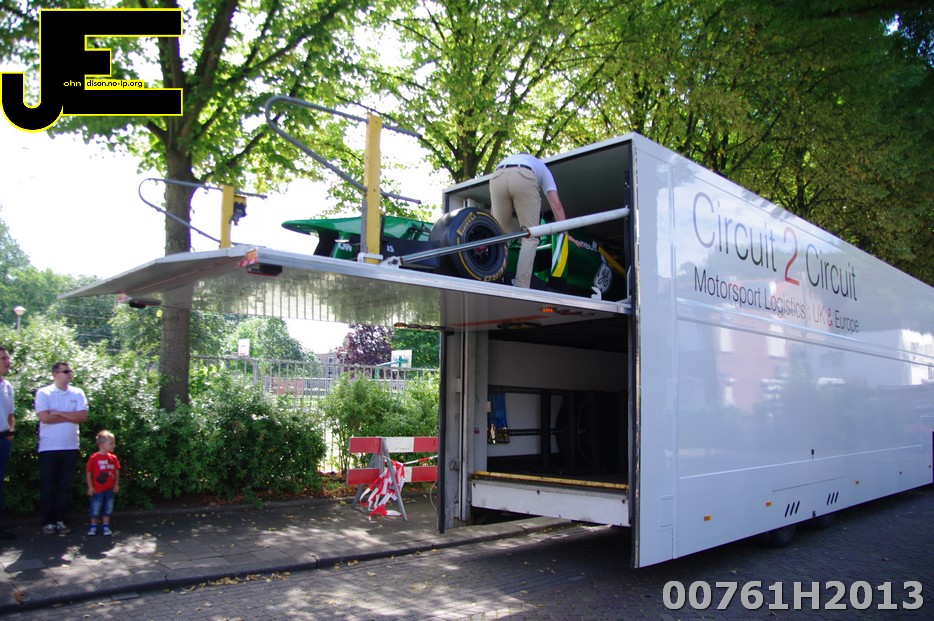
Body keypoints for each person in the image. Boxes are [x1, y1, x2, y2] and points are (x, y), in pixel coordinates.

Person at [489, 153, 579, 288]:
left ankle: (495, 278)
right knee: (530, 235)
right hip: (523, 175)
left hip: (497, 176)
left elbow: (493, 210)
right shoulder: (543, 168)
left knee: (501, 237)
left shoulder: (510, 160)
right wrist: (565, 235)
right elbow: (556, 205)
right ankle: (521, 285)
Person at [35, 361, 88, 535]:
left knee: (64, 486)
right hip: (49, 447)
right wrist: (70, 416)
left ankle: (60, 520)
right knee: (48, 486)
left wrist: (57, 412)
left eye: (70, 371)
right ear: (55, 374)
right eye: (65, 371)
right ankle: (48, 522)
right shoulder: (44, 393)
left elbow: (82, 416)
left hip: (70, 446)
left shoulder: (77, 392)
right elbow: (45, 418)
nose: (69, 374)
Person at [85, 430, 120, 536]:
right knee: (95, 508)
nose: (113, 445)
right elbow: (89, 473)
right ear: (101, 445)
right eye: (111, 443)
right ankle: (93, 526)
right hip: (98, 489)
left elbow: (116, 471)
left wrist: (116, 484)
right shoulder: (94, 458)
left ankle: (106, 526)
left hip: (110, 489)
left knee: (108, 508)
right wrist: (90, 487)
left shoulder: (113, 458)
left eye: (113, 442)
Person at [0, 346, 15, 540]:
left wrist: (10, 433)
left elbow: (11, 414)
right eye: (3, 358)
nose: (7, 361)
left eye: (7, 358)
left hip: (2, 440)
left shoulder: (8, 386)